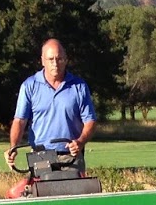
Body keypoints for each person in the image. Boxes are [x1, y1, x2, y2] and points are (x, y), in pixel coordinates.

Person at [7, 39, 96, 169]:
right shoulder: (29, 86)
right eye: (51, 59)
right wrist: (13, 147)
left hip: (71, 156)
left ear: (66, 60)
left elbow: (90, 121)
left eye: (59, 59)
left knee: (74, 189)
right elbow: (20, 121)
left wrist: (80, 141)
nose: (55, 63)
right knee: (41, 189)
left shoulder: (79, 86)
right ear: (43, 61)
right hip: (40, 155)